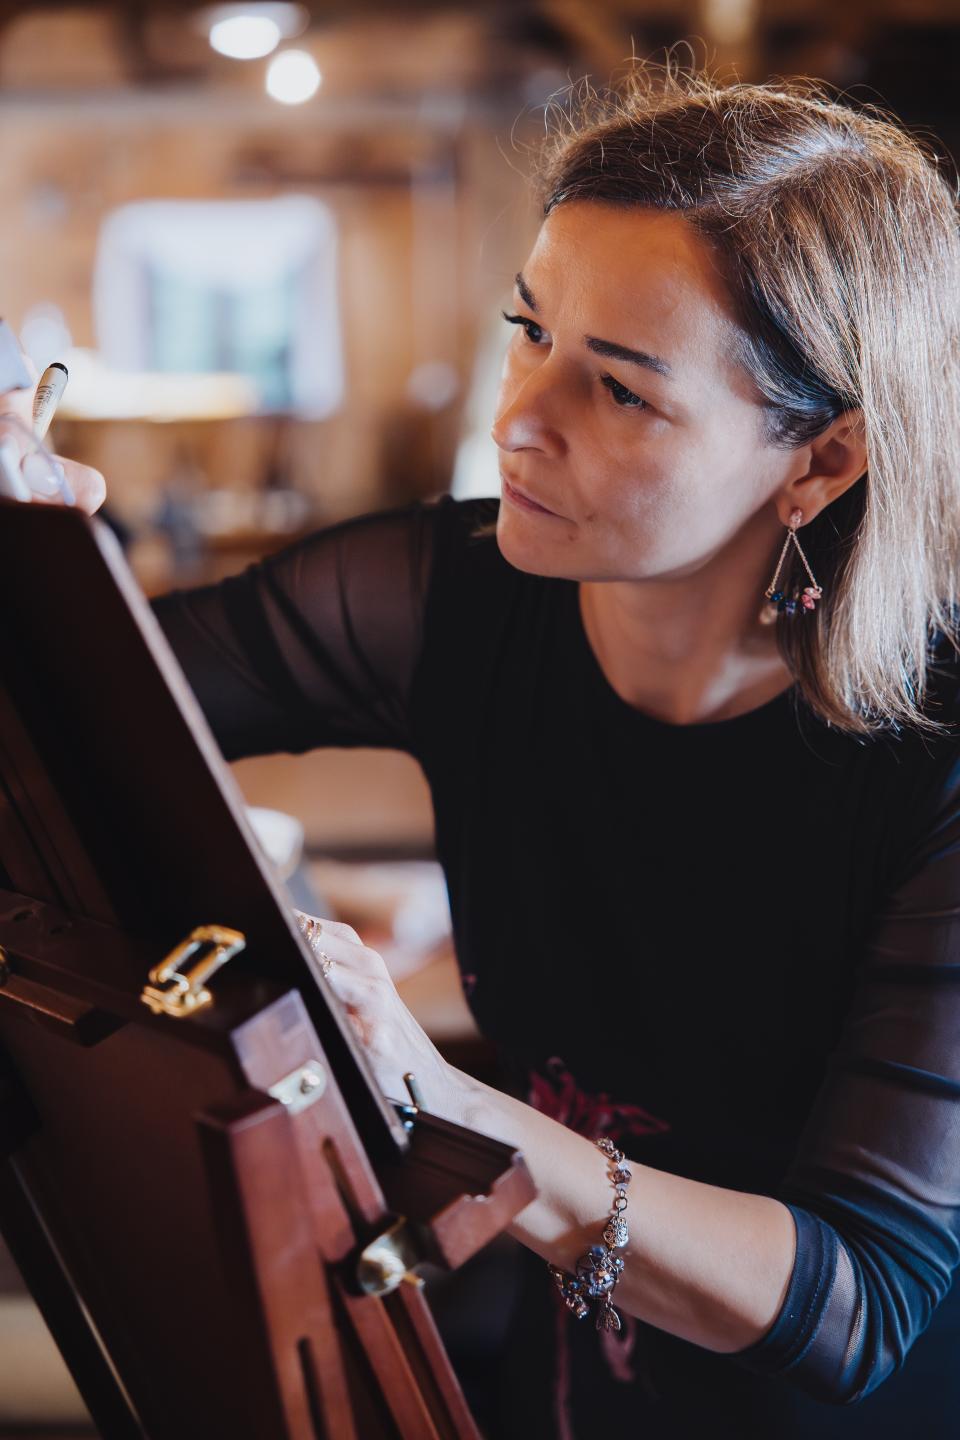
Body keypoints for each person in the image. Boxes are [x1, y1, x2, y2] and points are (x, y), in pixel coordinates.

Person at [30, 65, 960, 1438]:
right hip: (565, 1388)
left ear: (820, 462)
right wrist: (37, 557)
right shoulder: (448, 597)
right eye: (530, 330)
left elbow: (859, 1305)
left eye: (621, 390)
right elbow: (68, 712)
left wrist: (440, 1098)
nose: (520, 416)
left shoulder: (934, 759)